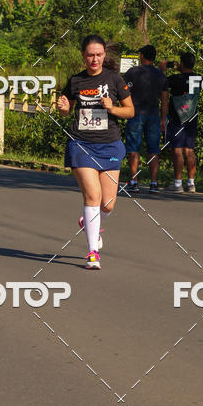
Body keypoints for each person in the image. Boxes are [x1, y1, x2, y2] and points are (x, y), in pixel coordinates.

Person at [57, 35, 134, 270]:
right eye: (90, 55)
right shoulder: (75, 81)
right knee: (92, 196)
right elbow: (66, 111)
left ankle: (90, 221)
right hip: (81, 144)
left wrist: (113, 108)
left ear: (104, 55)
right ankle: (93, 253)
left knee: (107, 204)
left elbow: (130, 111)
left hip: (109, 144)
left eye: (99, 55)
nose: (95, 59)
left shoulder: (114, 79)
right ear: (84, 55)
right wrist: (63, 108)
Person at [123, 44, 168, 193]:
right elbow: (165, 99)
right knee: (153, 149)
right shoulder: (160, 75)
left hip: (135, 113)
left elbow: (124, 92)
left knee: (133, 148)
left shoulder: (133, 72)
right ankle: (153, 183)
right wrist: (163, 118)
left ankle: (134, 181)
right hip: (154, 115)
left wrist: (125, 110)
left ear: (142, 56)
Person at [164, 52, 201, 194]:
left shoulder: (174, 79)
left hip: (176, 117)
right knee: (189, 150)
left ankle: (178, 183)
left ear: (182, 63)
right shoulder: (199, 79)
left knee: (177, 149)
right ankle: (191, 183)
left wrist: (164, 69)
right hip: (192, 116)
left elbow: (163, 85)